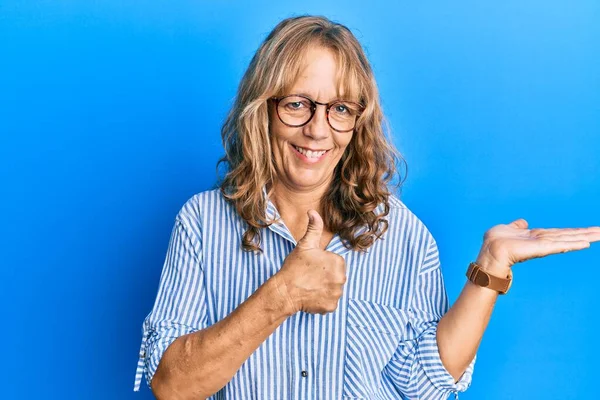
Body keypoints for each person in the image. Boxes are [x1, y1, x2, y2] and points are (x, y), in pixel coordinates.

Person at [133, 15, 600, 400]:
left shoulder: (405, 236)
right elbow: (174, 385)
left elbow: (422, 385)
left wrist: (490, 270)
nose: (318, 130)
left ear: (359, 121)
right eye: (298, 104)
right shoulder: (201, 223)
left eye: (339, 109)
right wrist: (282, 296)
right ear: (262, 110)